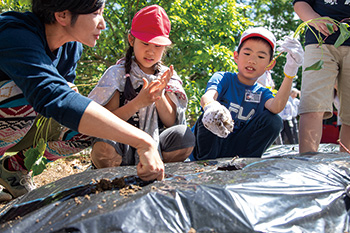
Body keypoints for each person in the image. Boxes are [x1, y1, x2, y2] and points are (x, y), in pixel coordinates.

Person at [0, 0, 164, 200]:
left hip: (25, 127)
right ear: (62, 15)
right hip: (11, 116)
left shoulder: (71, 47)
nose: (102, 24)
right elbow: (53, 97)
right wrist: (143, 141)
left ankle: (14, 169)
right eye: (96, 14)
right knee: (16, 94)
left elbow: (65, 101)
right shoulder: (14, 35)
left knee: (89, 127)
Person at [88, 5, 195, 168]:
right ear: (132, 40)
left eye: (158, 46)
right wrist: (139, 102)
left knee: (185, 136)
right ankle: (113, 178)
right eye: (145, 43)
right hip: (121, 145)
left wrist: (158, 97)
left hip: (156, 145)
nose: (151, 51)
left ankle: (156, 168)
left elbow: (172, 123)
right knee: (103, 147)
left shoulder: (167, 76)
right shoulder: (116, 74)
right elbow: (104, 121)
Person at [191, 27, 304, 160]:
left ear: (270, 64)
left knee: (274, 121)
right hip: (208, 147)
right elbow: (208, 96)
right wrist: (211, 106)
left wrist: (290, 72)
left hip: (236, 149)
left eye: (261, 56)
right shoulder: (224, 78)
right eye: (247, 53)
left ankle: (246, 162)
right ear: (236, 56)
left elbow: (276, 107)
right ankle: (206, 164)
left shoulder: (262, 93)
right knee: (211, 115)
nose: (252, 60)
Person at [293, 0, 350, 153]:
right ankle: (307, 163)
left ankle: (346, 167)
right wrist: (314, 18)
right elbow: (300, 3)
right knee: (312, 106)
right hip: (319, 43)